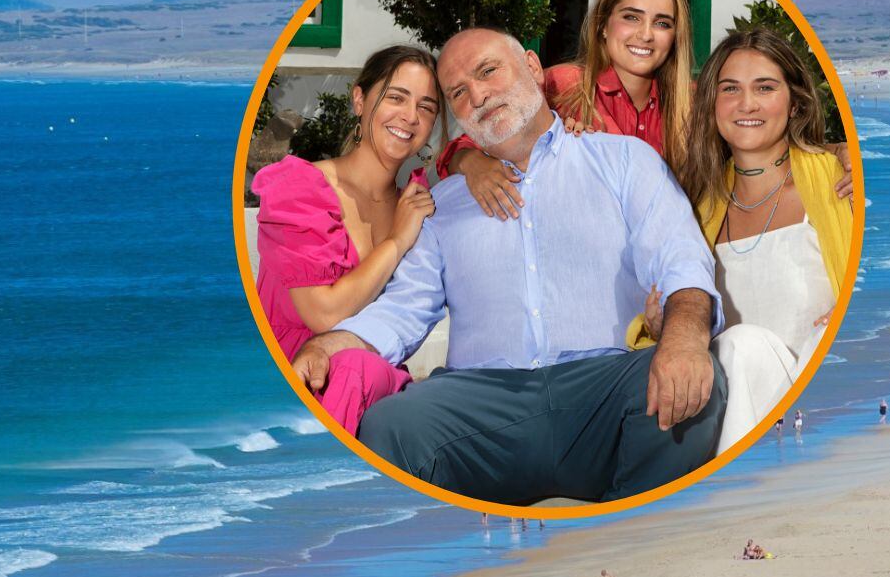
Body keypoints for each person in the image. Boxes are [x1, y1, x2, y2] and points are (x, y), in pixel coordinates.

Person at [292, 29, 726, 505]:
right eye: (457, 92)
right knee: (391, 425)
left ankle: (621, 541)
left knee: (695, 383)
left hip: (602, 388)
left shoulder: (624, 161)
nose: (477, 95)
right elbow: (403, 309)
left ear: (534, 69)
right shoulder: (441, 206)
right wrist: (329, 344)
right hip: (483, 405)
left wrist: (684, 339)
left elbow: (681, 257)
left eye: (487, 71)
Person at [440, 0, 853, 216]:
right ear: (603, 24)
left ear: (675, 35)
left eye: (662, 22)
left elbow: (764, 142)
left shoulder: (693, 101)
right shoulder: (563, 84)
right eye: (631, 17)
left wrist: (838, 153)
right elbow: (487, 122)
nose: (645, 35)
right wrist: (471, 163)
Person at [659, 28, 854, 453]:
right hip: (740, 407)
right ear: (712, 103)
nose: (746, 104)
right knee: (738, 345)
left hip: (825, 403)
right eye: (731, 89)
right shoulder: (694, 213)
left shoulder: (841, 184)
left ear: (795, 101)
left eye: (764, 87)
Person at [250, 46, 443, 433]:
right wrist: (397, 241)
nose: (410, 116)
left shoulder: (417, 206)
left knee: (364, 368)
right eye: (396, 97)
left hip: (366, 380)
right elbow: (324, 315)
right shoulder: (301, 189)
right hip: (291, 372)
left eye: (426, 107)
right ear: (359, 100)